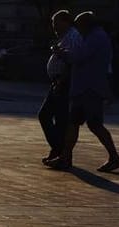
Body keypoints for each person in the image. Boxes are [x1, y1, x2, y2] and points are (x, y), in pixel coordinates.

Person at [50, 10, 119, 172]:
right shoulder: (93, 36)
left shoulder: (96, 37)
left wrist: (61, 53)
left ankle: (114, 157)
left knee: (95, 125)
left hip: (90, 88)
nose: (77, 28)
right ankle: (65, 158)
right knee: (73, 123)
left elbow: (79, 57)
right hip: (83, 87)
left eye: (78, 25)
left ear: (86, 24)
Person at [38, 9, 77, 166]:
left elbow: (72, 62)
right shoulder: (65, 37)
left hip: (63, 81)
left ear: (65, 22)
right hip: (57, 81)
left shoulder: (72, 37)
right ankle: (58, 150)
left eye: (56, 23)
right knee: (48, 116)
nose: (53, 26)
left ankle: (60, 151)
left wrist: (61, 80)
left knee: (56, 117)